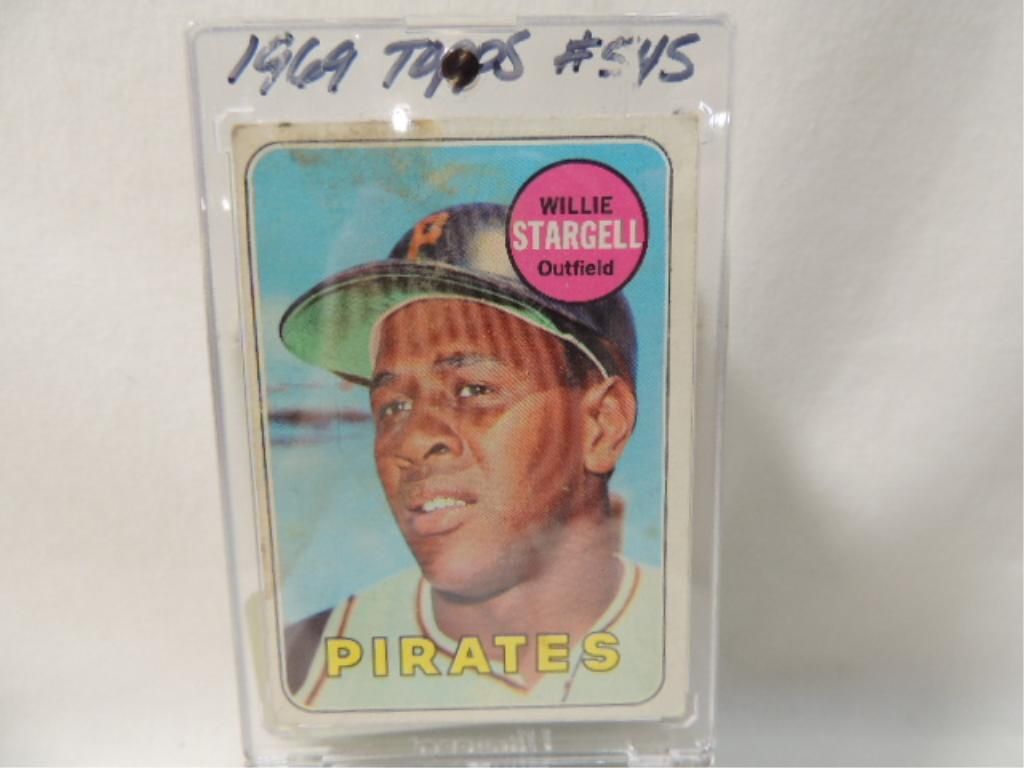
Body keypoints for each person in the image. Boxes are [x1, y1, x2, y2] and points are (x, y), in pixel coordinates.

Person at [278, 203, 662, 709]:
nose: (413, 439)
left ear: (602, 424)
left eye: (474, 389)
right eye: (393, 405)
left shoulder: (682, 644)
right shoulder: (307, 667)